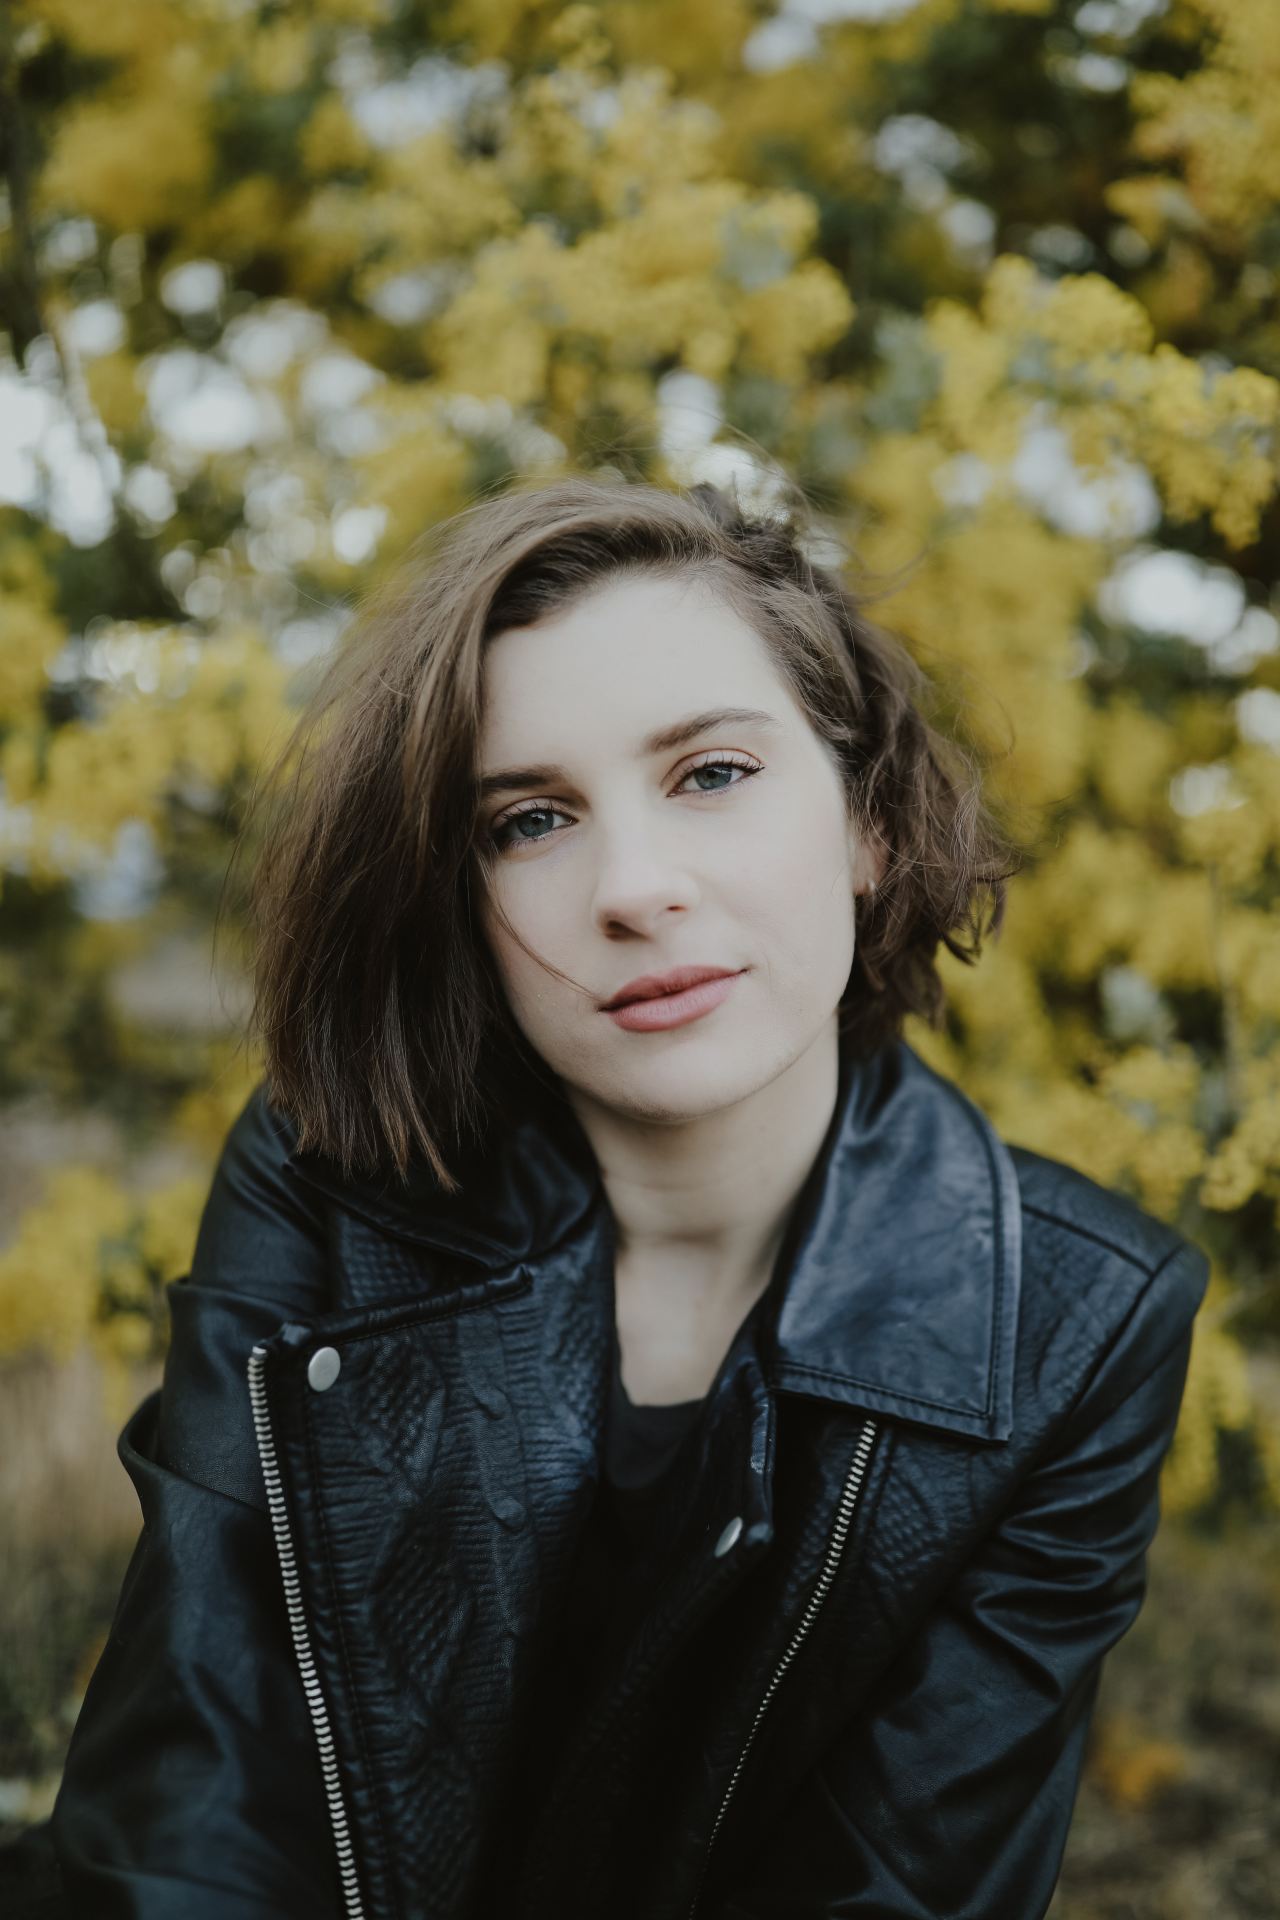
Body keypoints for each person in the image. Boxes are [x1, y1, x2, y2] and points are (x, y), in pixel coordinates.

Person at [12, 474, 1207, 1918]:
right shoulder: (331, 1179)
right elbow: (198, 1798)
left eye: (712, 774)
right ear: (466, 902)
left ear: (871, 824)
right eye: (530, 821)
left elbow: (894, 1883)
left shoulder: (1082, 1323)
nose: (634, 888)